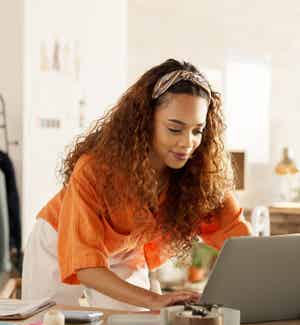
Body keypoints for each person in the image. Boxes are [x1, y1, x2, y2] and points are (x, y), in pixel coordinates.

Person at [22, 58, 251, 310]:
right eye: (175, 129)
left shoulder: (202, 175)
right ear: (145, 120)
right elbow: (86, 266)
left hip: (125, 253)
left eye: (197, 130)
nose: (188, 143)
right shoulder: (95, 169)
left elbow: (241, 243)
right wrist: (154, 299)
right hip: (58, 243)